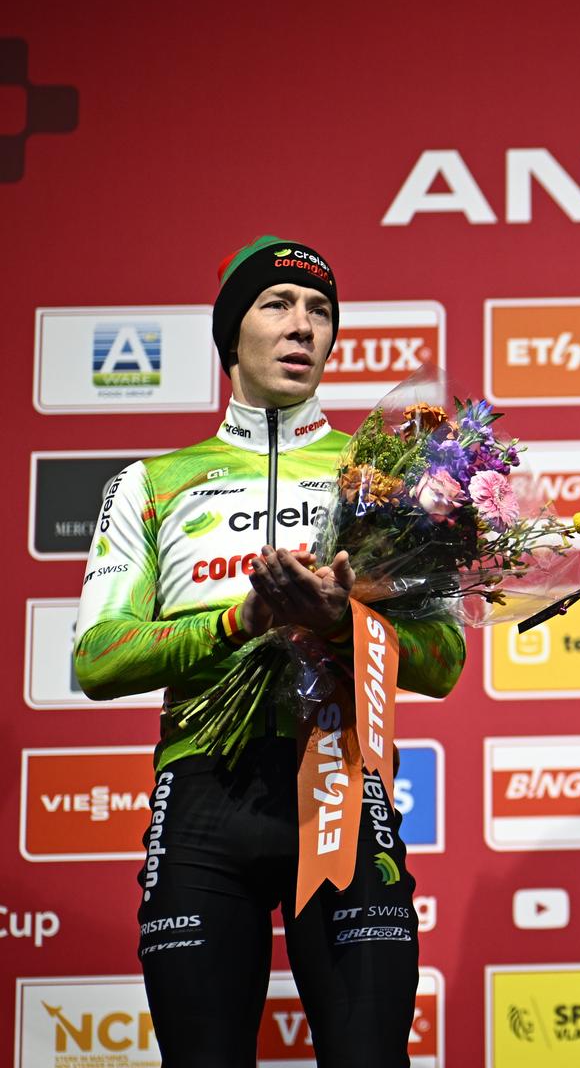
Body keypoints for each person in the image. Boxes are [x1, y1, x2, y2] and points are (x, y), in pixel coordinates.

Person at [74, 236, 465, 1067]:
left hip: (342, 786)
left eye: (320, 311)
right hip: (205, 796)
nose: (303, 327)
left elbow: (443, 660)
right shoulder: (152, 482)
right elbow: (99, 657)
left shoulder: (385, 476)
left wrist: (338, 623)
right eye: (277, 305)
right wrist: (240, 620)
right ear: (231, 336)